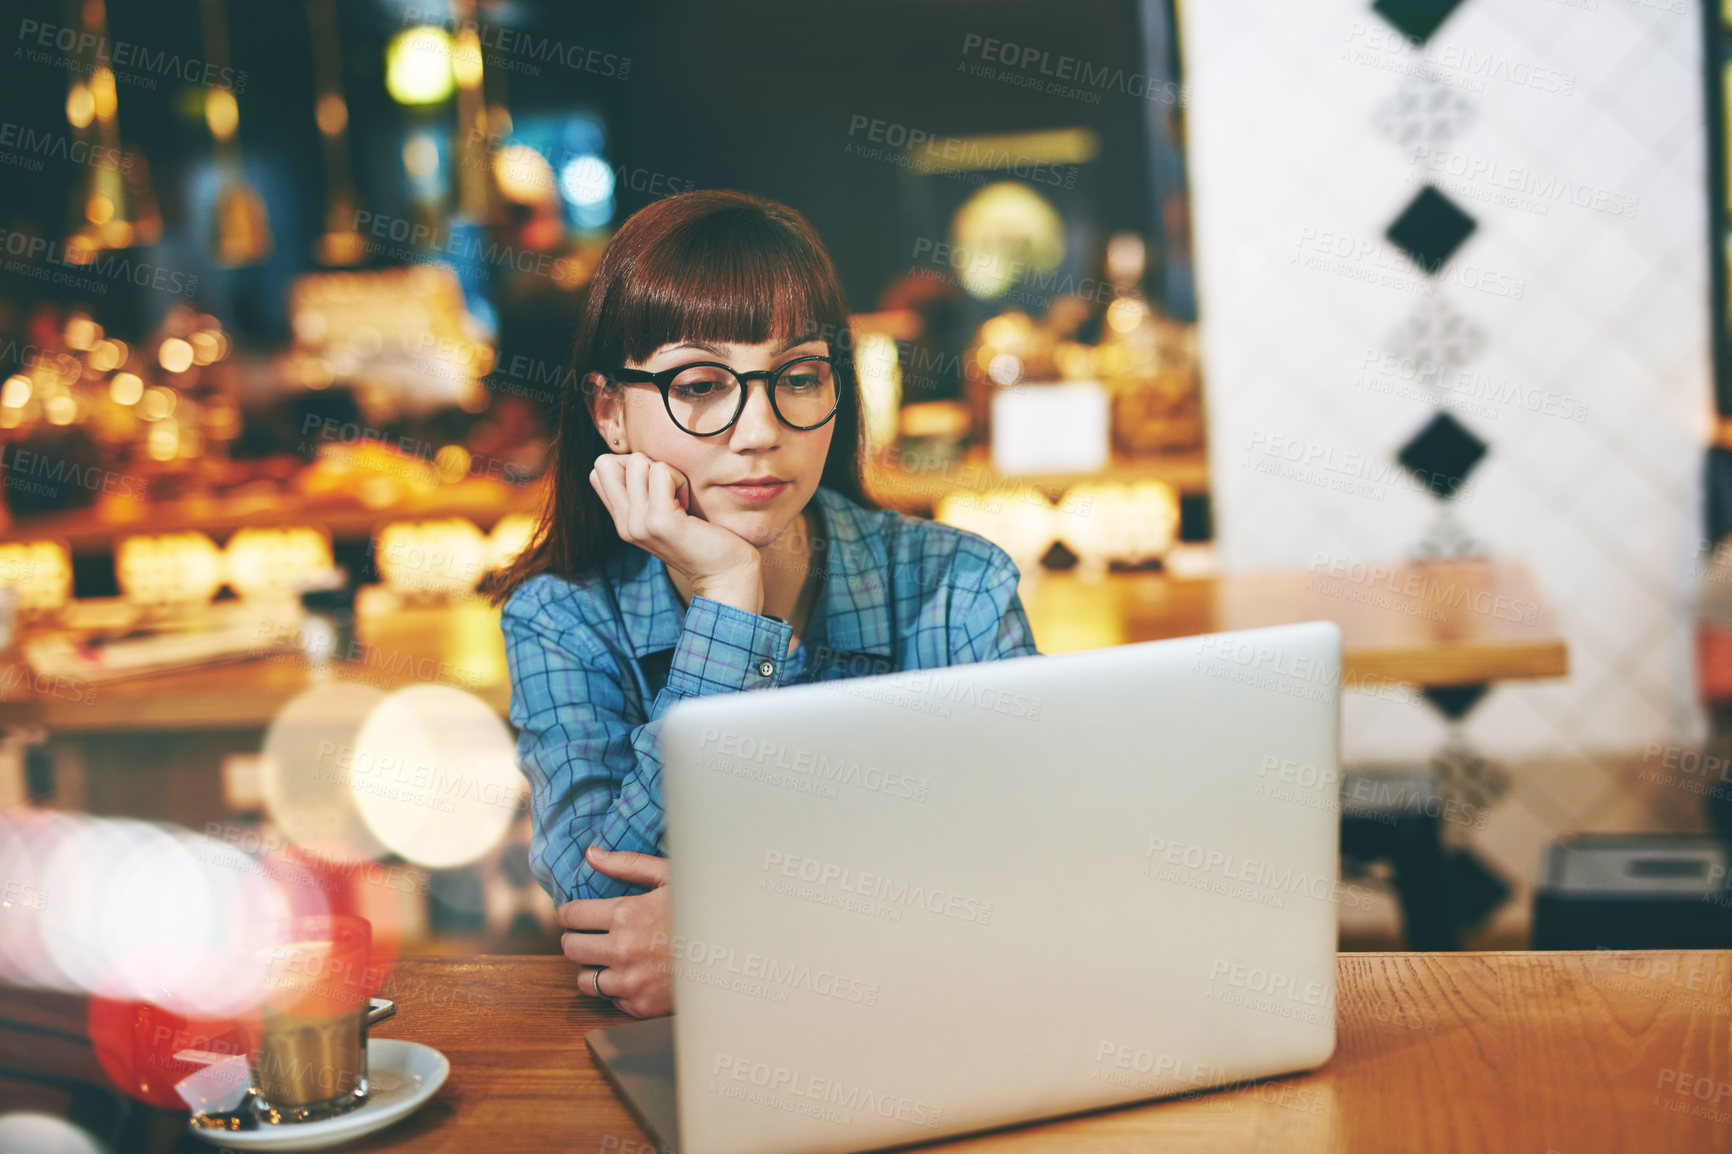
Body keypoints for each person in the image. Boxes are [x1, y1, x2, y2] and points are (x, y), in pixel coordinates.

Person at [485, 189, 1040, 1019]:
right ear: (610, 413)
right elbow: (601, 904)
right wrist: (729, 607)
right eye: (701, 384)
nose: (757, 431)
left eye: (798, 377)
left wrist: (737, 937)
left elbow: (1031, 877)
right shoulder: (563, 617)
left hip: (936, 1029)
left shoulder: (957, 586)